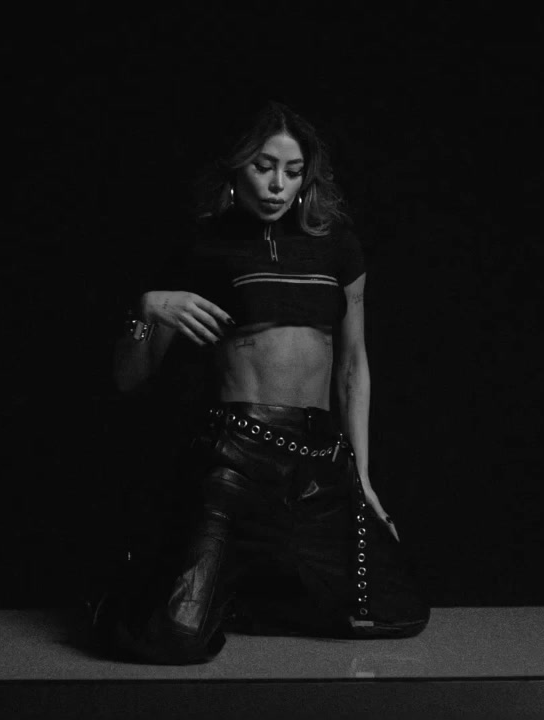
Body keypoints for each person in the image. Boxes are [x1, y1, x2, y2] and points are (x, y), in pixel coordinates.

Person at [94, 101, 429, 664]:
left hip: (318, 465)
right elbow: (129, 377)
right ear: (237, 167)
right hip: (235, 460)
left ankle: (241, 590)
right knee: (174, 639)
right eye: (263, 167)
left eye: (293, 171)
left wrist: (363, 479)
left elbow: (353, 365)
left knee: (397, 613)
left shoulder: (338, 245)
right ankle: (146, 596)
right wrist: (147, 308)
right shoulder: (203, 247)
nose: (278, 185)